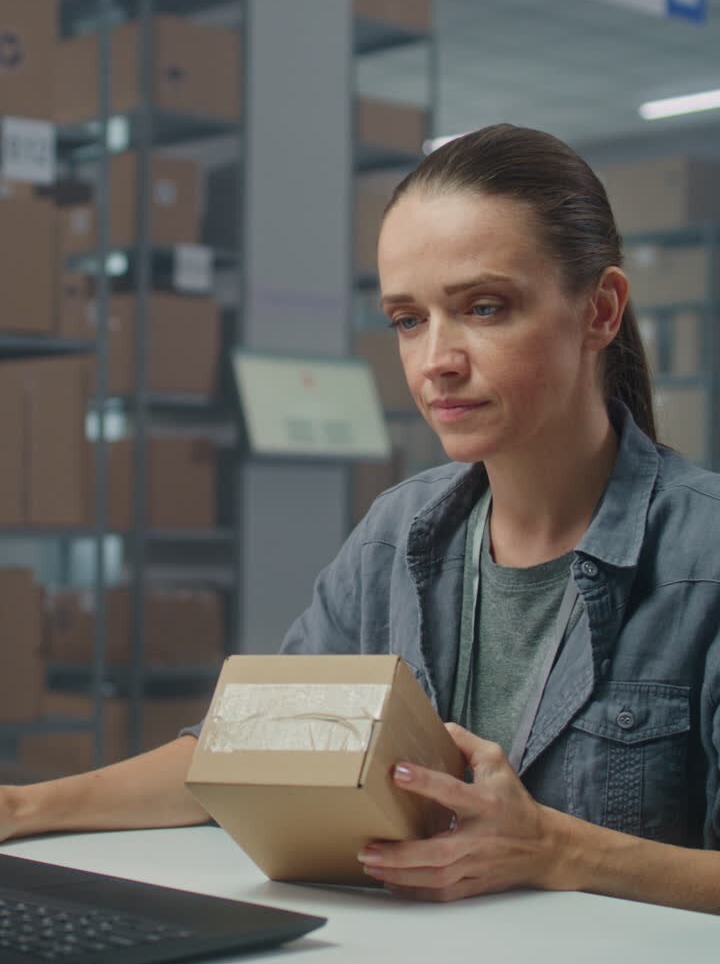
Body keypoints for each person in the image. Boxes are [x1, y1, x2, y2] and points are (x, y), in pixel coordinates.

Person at [2, 124, 720, 915]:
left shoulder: (703, 558)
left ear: (601, 311)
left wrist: (555, 851)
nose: (436, 359)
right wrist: (25, 809)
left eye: (485, 307)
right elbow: (246, 754)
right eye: (408, 320)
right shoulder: (399, 535)